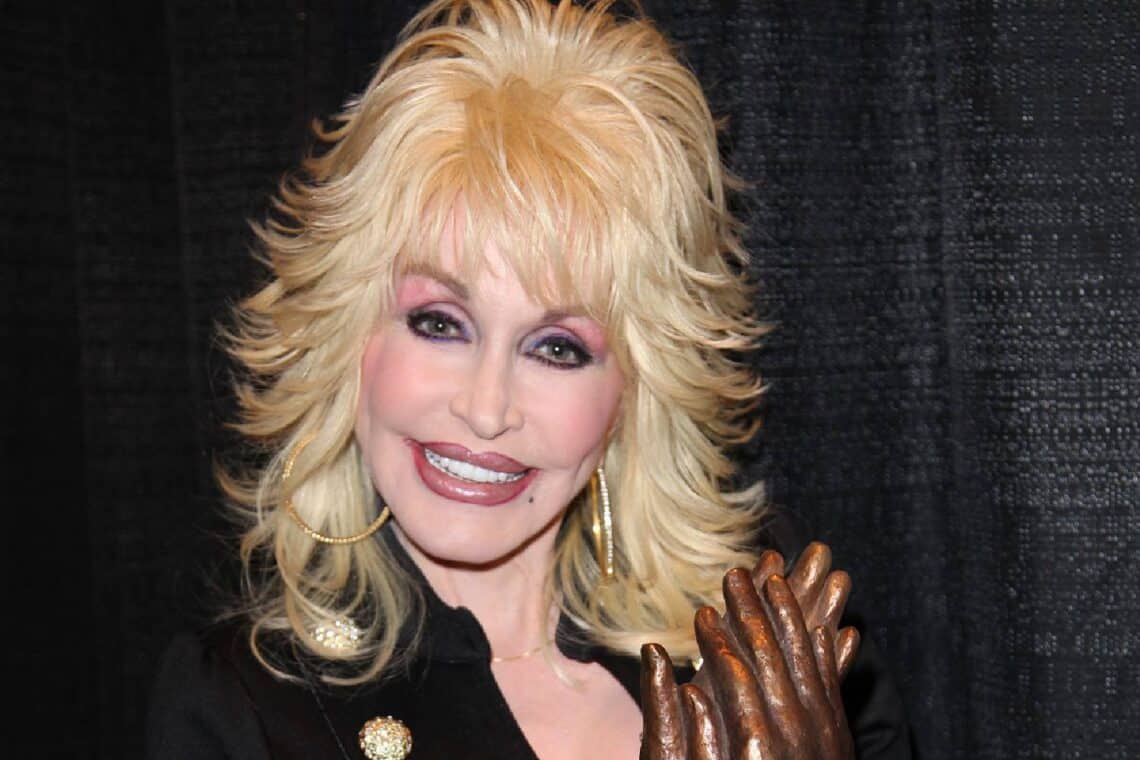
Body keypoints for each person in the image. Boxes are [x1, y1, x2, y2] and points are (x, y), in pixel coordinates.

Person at [147, 1, 912, 758]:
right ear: (347, 336)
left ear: (635, 393)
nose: (486, 410)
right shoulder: (242, 708)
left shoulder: (771, 639)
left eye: (556, 349)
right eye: (440, 324)